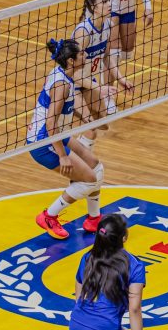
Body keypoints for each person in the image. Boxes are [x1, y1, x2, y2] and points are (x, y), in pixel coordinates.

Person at [28, 38, 110, 239]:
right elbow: (50, 123)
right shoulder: (61, 85)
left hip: (57, 135)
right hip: (44, 141)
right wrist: (63, 156)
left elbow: (68, 109)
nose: (86, 55)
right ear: (71, 61)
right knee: (90, 180)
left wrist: (89, 120)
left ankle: (94, 219)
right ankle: (48, 216)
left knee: (96, 168)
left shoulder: (66, 75)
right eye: (81, 53)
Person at [71, 0, 133, 150]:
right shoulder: (83, 33)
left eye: (109, 0)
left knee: (102, 123)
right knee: (91, 127)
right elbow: (75, 75)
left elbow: (106, 56)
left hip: (88, 83)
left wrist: (120, 79)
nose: (109, 4)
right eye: (104, 2)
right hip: (70, 86)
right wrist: (101, 88)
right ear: (94, 8)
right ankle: (76, 155)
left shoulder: (107, 25)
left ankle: (79, 145)